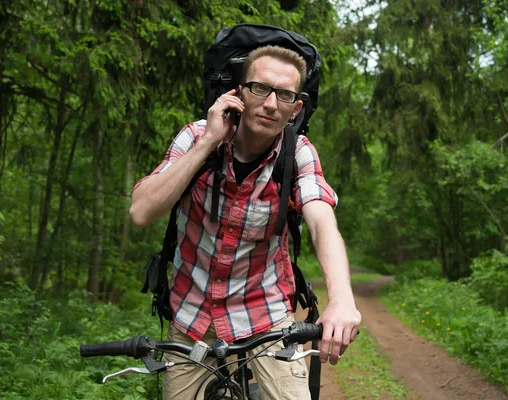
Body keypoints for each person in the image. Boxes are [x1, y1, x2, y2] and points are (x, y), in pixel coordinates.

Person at [130, 45, 361, 399]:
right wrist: (208, 141)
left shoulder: (296, 153)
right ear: (238, 92)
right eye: (260, 88)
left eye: (284, 95)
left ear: (295, 108)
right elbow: (141, 212)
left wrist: (342, 299)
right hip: (191, 314)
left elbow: (321, 219)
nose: (270, 104)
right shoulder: (195, 135)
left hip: (265, 312)